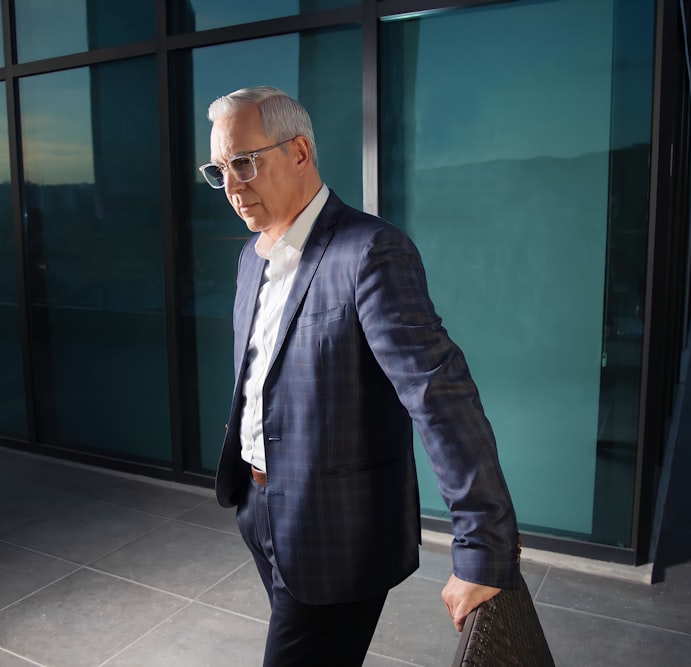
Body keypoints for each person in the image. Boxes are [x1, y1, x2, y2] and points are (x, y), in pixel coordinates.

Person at [204, 86, 520, 666]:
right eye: (219, 169)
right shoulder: (251, 258)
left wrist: (482, 549)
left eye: (243, 162)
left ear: (299, 151)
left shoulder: (370, 251)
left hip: (336, 526)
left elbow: (439, 395)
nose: (230, 185)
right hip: (259, 506)